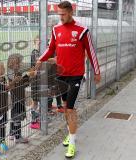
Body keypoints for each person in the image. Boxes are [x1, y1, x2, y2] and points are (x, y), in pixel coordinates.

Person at [35, 1, 101, 158]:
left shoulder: (82, 31)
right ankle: (71, 133)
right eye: (59, 14)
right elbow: (51, 49)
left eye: (63, 14)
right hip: (61, 76)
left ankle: (71, 144)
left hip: (76, 76)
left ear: (71, 12)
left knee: (70, 109)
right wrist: (40, 59)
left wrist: (97, 72)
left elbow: (91, 52)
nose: (61, 17)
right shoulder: (56, 29)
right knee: (66, 107)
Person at [7, 54, 36, 143]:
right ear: (11, 64)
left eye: (19, 63)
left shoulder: (17, 72)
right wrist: (27, 75)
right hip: (16, 97)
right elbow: (16, 82)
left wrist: (30, 76)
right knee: (17, 117)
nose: (19, 65)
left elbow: (23, 83)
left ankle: (12, 133)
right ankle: (18, 136)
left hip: (20, 96)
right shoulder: (11, 73)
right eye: (17, 63)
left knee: (14, 116)